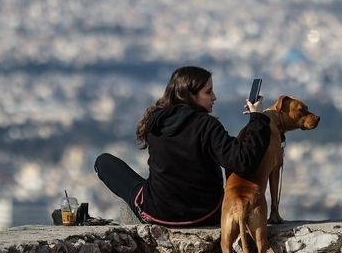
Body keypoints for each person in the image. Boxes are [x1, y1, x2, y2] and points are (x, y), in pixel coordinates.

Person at [94, 66, 272, 226]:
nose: (214, 97)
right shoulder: (206, 126)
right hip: (205, 215)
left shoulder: (154, 123)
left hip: (157, 213)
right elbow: (243, 161)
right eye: (208, 92)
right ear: (191, 95)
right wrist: (257, 119)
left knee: (104, 162)